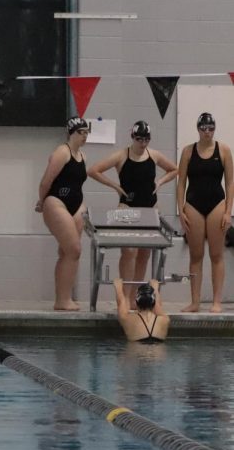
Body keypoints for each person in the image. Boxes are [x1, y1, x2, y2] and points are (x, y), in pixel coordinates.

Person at [87, 120, 177, 308]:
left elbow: (175, 169)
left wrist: (160, 182)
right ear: (132, 137)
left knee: (144, 254)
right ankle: (124, 297)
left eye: (146, 140)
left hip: (150, 209)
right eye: (139, 139)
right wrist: (115, 186)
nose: (143, 144)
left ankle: (135, 297)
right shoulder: (121, 156)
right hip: (126, 209)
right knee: (128, 253)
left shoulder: (154, 155)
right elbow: (93, 170)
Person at [175, 112, 234, 313]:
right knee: (196, 255)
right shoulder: (188, 152)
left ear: (214, 129)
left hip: (217, 204)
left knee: (216, 255)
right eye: (204, 128)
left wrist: (228, 211)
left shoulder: (224, 150)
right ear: (198, 129)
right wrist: (180, 210)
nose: (207, 132)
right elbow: (181, 182)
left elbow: (230, 182)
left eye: (211, 128)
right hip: (193, 205)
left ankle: (217, 302)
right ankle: (195, 302)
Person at [36, 117, 90, 311]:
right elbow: (45, 182)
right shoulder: (62, 152)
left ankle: (63, 299)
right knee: (74, 250)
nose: (84, 136)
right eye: (81, 132)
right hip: (56, 203)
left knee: (67, 253)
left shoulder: (82, 155)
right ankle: (62, 300)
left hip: (75, 206)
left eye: (86, 133)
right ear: (71, 132)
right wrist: (42, 202)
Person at [114, 278, 168, 343]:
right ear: (153, 301)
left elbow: (121, 302)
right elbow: (158, 305)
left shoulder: (128, 319)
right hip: (157, 351)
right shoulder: (164, 319)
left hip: (137, 352)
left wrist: (118, 287)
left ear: (136, 302)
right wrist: (155, 288)